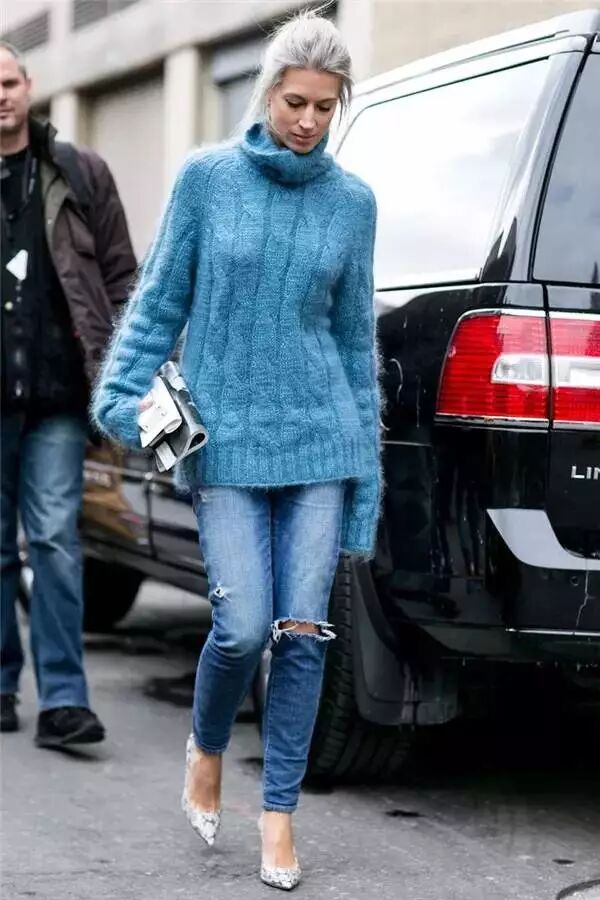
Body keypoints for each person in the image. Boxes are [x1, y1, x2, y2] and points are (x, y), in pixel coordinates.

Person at [92, 9, 380, 891]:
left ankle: (279, 815)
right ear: (267, 93)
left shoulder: (353, 204)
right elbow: (160, 300)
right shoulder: (208, 180)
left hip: (320, 443)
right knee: (243, 626)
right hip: (224, 446)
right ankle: (208, 744)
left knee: (303, 634)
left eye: (325, 107)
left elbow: (354, 345)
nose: (309, 121)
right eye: (296, 103)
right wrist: (121, 394)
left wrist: (366, 482)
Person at [0, 42, 137, 746]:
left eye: (7, 81)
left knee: (54, 539)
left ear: (29, 85)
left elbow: (120, 275)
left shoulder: (79, 172)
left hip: (57, 396)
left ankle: (63, 700)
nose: (0, 96)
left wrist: (130, 369)